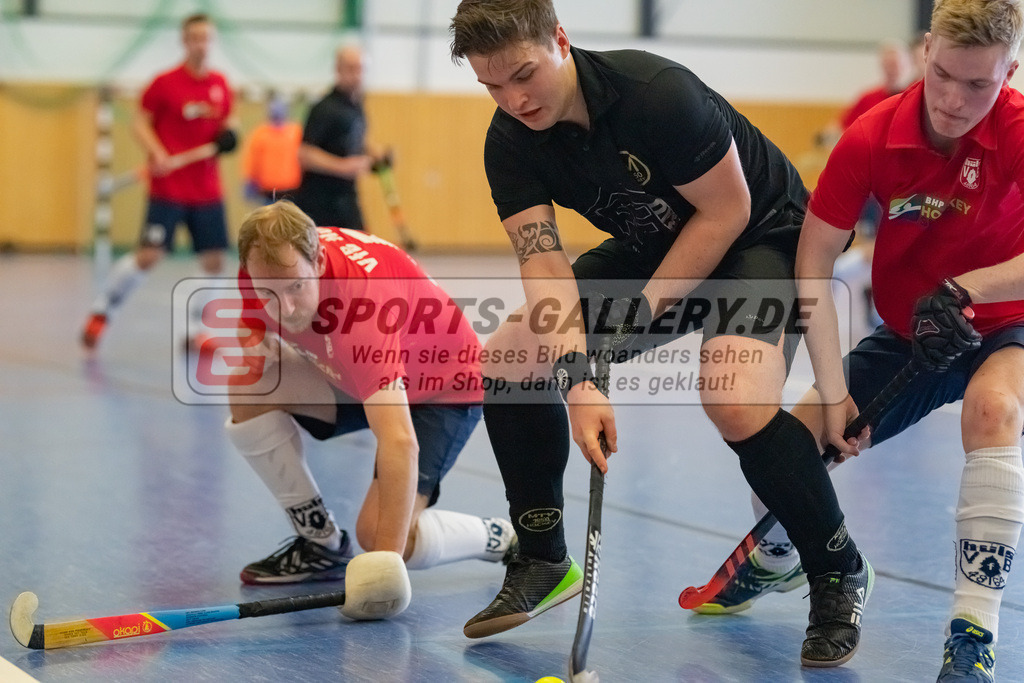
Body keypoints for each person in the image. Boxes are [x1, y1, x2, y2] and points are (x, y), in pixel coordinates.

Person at [449, 0, 872, 667]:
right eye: (492, 86)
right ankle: (542, 557)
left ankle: (836, 568)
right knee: (510, 356)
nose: (514, 100)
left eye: (524, 75)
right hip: (656, 244)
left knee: (733, 397)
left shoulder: (656, 94)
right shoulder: (509, 140)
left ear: (560, 39)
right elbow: (544, 264)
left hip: (761, 236)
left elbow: (727, 211)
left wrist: (638, 315)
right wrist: (577, 379)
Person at [739, 1, 1023, 679]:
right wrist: (834, 390)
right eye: (943, 75)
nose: (953, 101)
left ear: (1009, 73)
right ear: (926, 51)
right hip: (907, 333)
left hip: (1007, 324)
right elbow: (813, 264)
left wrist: (967, 288)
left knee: (994, 411)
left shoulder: (1019, 130)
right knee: (787, 447)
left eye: (978, 85)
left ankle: (972, 633)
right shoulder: (870, 137)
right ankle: (780, 556)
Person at [226, 201, 516, 617]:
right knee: (250, 386)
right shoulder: (264, 267)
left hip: (442, 389)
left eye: (296, 288)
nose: (285, 307)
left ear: (318, 262)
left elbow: (399, 442)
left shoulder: (364, 313)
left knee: (377, 533)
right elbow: (252, 320)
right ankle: (321, 544)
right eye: (268, 293)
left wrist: (384, 573)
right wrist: (254, 339)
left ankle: (502, 537)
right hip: (355, 376)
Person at [81, 13, 238, 350]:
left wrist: (230, 136)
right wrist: (157, 152)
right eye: (195, 38)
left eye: (206, 38)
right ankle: (103, 310)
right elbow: (139, 123)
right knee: (149, 255)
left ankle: (195, 330)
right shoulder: (164, 83)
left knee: (215, 260)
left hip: (207, 189)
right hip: (169, 189)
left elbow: (230, 124)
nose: (201, 44)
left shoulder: (220, 85)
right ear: (185, 41)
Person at [292, 45, 382, 231]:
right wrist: (343, 167)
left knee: (360, 243)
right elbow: (305, 153)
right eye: (351, 68)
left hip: (347, 197)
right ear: (338, 69)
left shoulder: (356, 106)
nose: (356, 75)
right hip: (320, 201)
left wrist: (373, 154)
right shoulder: (324, 108)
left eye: (360, 69)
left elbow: (350, 141)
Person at [242, 93, 302, 204]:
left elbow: (304, 157)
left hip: (292, 189)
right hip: (268, 190)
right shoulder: (260, 133)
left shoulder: (296, 132)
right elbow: (252, 160)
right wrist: (250, 181)